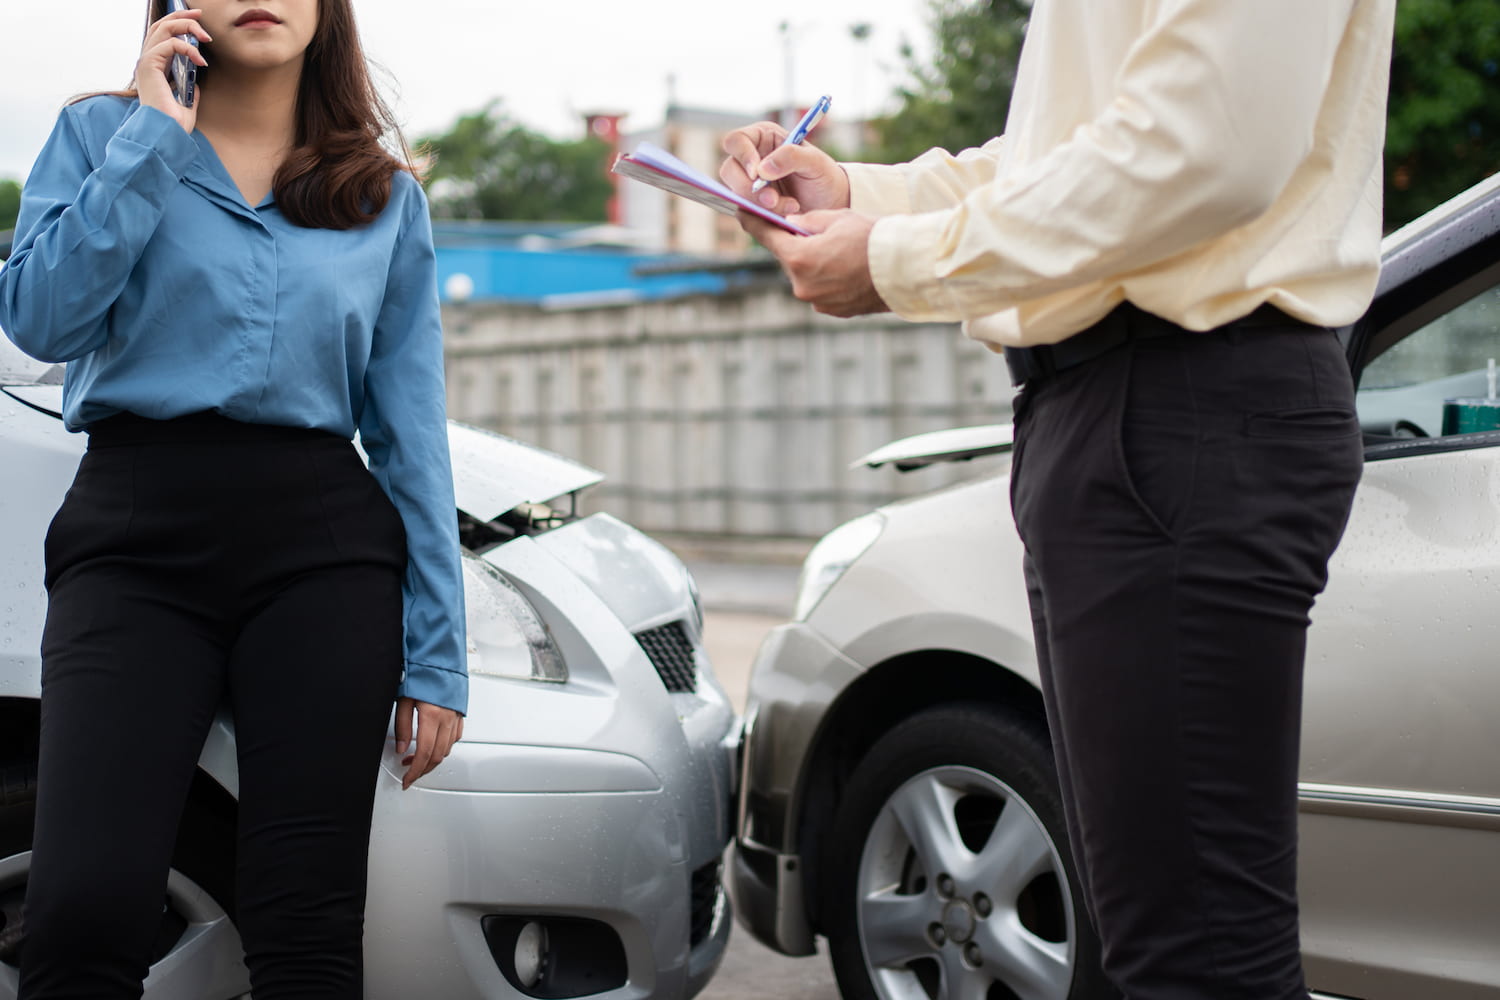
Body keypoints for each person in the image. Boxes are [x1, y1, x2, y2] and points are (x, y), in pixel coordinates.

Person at [721, 1, 1396, 997]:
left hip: (1179, 397)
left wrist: (898, 259)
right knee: (1160, 938)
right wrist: (858, 190)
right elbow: (1075, 151)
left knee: (1195, 956)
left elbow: (1201, 148)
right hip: (1124, 405)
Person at [0, 1, 466, 996]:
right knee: (82, 911)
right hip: (135, 537)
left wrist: (438, 651)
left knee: (308, 924)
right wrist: (152, 138)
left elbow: (410, 433)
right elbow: (44, 318)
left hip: (323, 553)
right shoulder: (97, 136)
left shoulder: (379, 195)